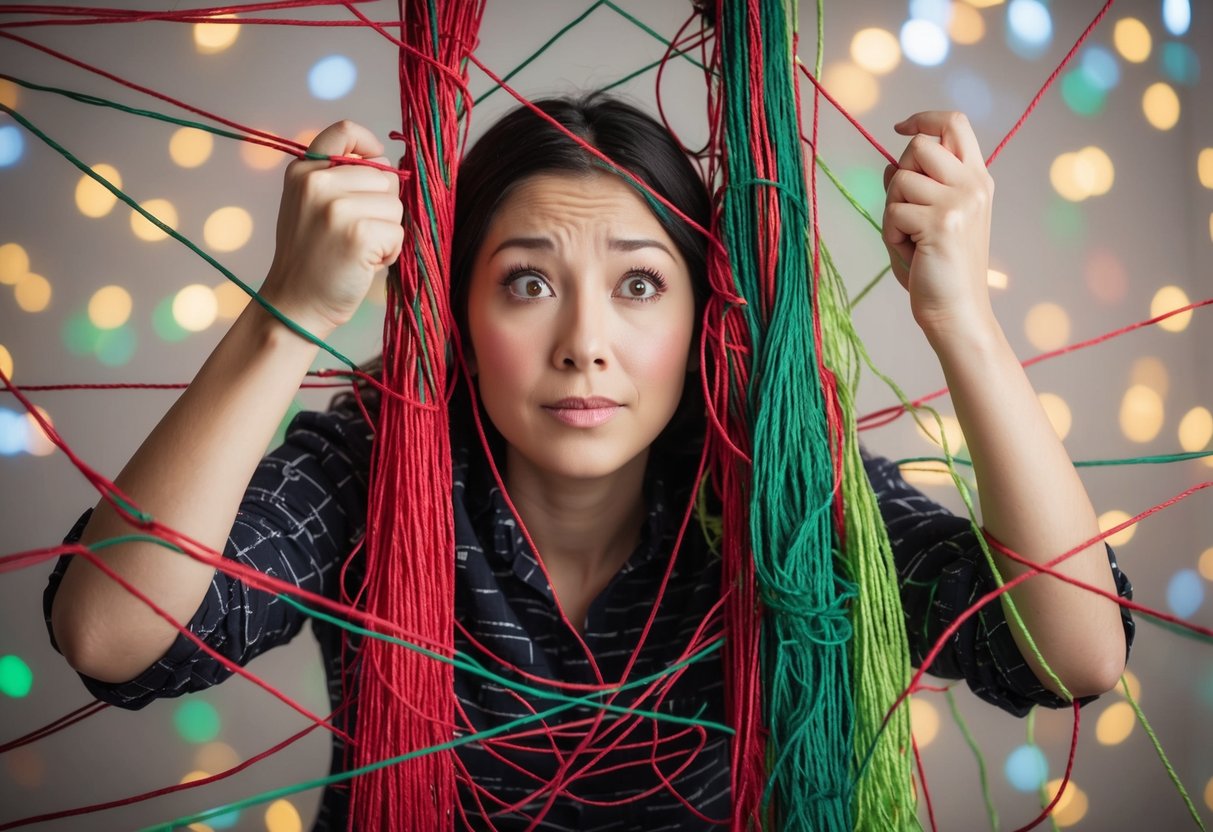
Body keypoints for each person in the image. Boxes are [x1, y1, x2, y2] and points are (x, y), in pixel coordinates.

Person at [44, 94, 1133, 829]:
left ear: (709, 318)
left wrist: (962, 321)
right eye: (525, 280)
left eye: (639, 283)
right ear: (456, 310)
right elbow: (111, 636)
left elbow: (1070, 655)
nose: (584, 341)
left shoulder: (786, 495)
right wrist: (289, 311)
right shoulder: (374, 468)